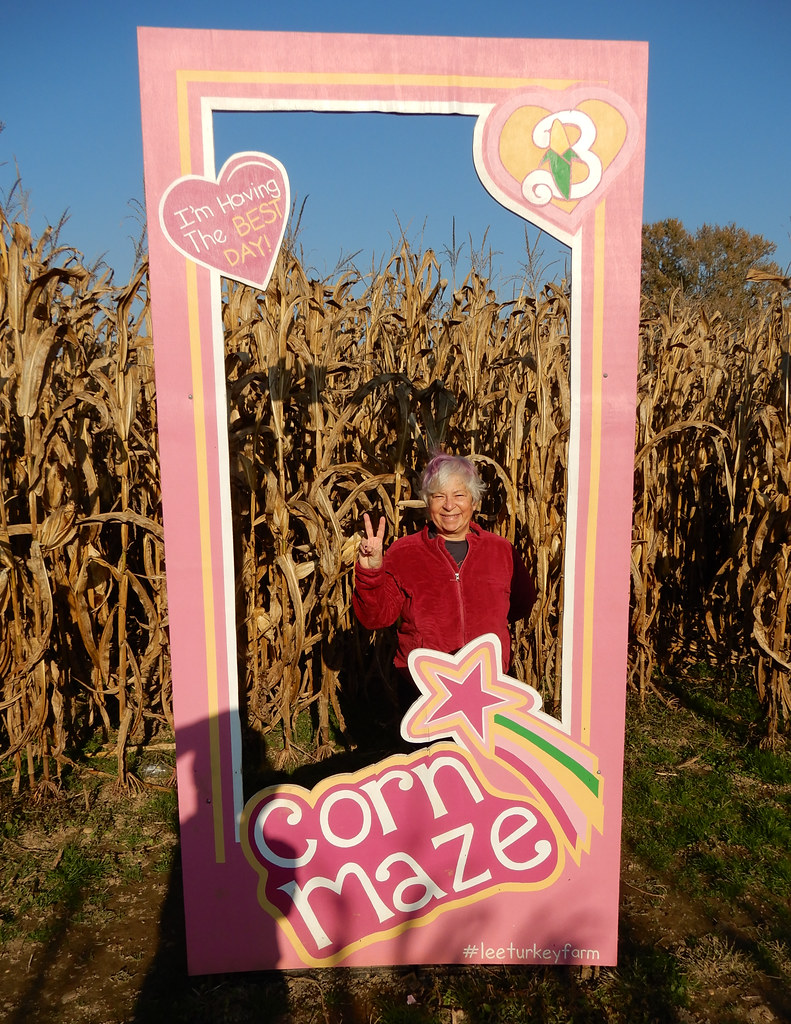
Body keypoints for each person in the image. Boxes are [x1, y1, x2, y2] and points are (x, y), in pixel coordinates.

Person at [352, 452, 536, 675]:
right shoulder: (404, 553)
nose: (449, 505)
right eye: (439, 496)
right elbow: (376, 618)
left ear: (474, 501)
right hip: (424, 683)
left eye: (459, 495)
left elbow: (522, 604)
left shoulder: (501, 551)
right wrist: (371, 572)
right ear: (427, 502)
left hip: (488, 682)